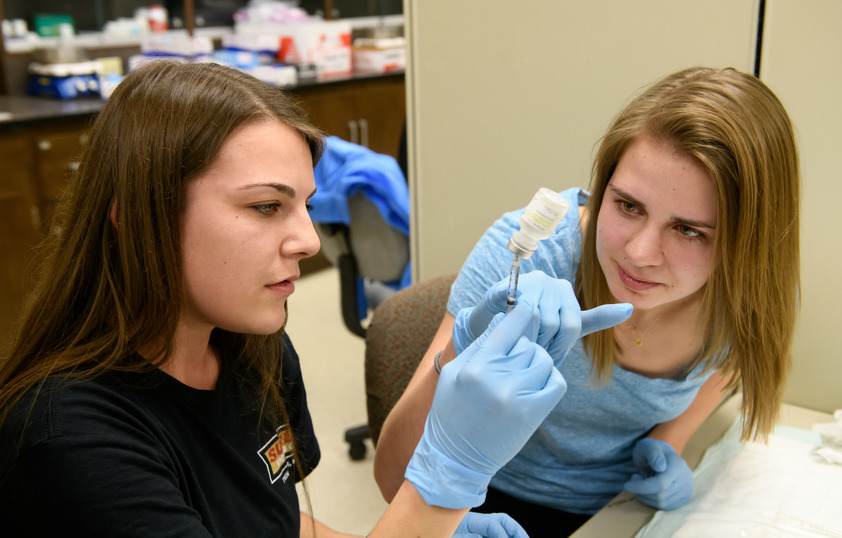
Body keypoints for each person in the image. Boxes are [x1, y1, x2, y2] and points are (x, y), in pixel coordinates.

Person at [0, 61, 633, 537]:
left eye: (304, 205)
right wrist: (440, 487)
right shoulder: (69, 440)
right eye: (266, 206)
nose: (308, 240)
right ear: (139, 218)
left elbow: (279, 527)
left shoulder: (252, 350)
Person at [373, 66, 801, 537]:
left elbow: (724, 369)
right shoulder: (529, 257)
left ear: (750, 244)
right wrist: (456, 356)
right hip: (488, 504)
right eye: (627, 205)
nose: (639, 254)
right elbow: (393, 478)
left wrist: (670, 442)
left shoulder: (750, 296)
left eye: (688, 230)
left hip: (621, 510)